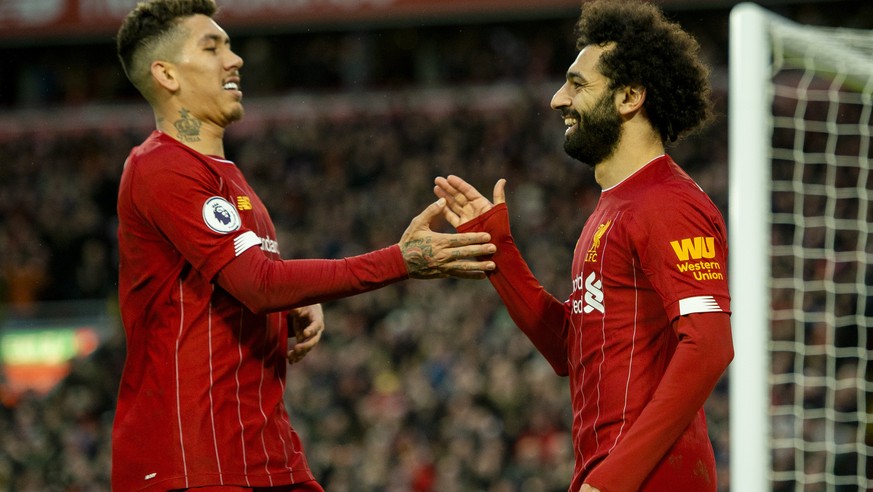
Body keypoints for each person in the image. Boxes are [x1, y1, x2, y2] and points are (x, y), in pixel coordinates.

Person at [112, 1, 496, 490]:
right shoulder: (162, 166)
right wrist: (401, 260)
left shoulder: (222, 176)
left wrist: (289, 304)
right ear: (165, 74)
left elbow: (241, 284)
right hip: (194, 460)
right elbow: (258, 284)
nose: (235, 59)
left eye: (229, 45)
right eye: (212, 47)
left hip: (262, 452)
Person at [434, 1, 734, 490]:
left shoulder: (668, 203)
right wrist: (498, 253)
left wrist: (615, 478)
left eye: (577, 84)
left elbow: (710, 345)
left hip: (649, 477)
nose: (557, 99)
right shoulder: (610, 209)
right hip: (608, 470)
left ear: (629, 96)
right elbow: (568, 350)